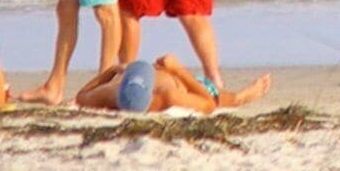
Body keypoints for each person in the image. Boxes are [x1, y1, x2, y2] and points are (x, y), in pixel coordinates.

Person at [71, 52, 274, 114]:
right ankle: (241, 97)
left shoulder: (112, 92)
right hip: (187, 84)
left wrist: (112, 70)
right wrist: (178, 70)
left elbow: (81, 96)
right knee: (219, 96)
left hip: (133, 91)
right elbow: (209, 105)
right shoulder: (167, 95)